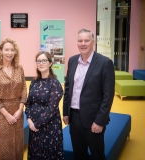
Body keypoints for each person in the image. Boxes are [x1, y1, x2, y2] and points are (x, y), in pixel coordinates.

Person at [63, 28, 115, 160]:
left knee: (97, 155)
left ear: (93, 42)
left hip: (93, 119)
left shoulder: (105, 63)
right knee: (79, 154)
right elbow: (68, 88)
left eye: (87, 40)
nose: (83, 43)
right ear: (77, 43)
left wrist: (100, 121)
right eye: (80, 40)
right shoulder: (72, 60)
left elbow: (108, 96)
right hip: (74, 118)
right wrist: (65, 112)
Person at [0, 38, 27, 160]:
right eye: (6, 50)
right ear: (0, 51)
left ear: (15, 52)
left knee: (17, 144)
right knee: (3, 146)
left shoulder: (19, 68)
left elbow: (24, 89)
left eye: (12, 50)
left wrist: (20, 109)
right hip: (0, 114)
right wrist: (6, 114)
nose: (9, 53)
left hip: (17, 112)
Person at [25, 51, 64, 159]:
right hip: (33, 127)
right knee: (35, 153)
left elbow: (51, 108)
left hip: (49, 127)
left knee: (49, 154)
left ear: (50, 63)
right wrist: (28, 119)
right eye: (38, 61)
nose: (41, 63)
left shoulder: (55, 83)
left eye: (44, 60)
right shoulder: (34, 82)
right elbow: (28, 103)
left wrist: (37, 124)